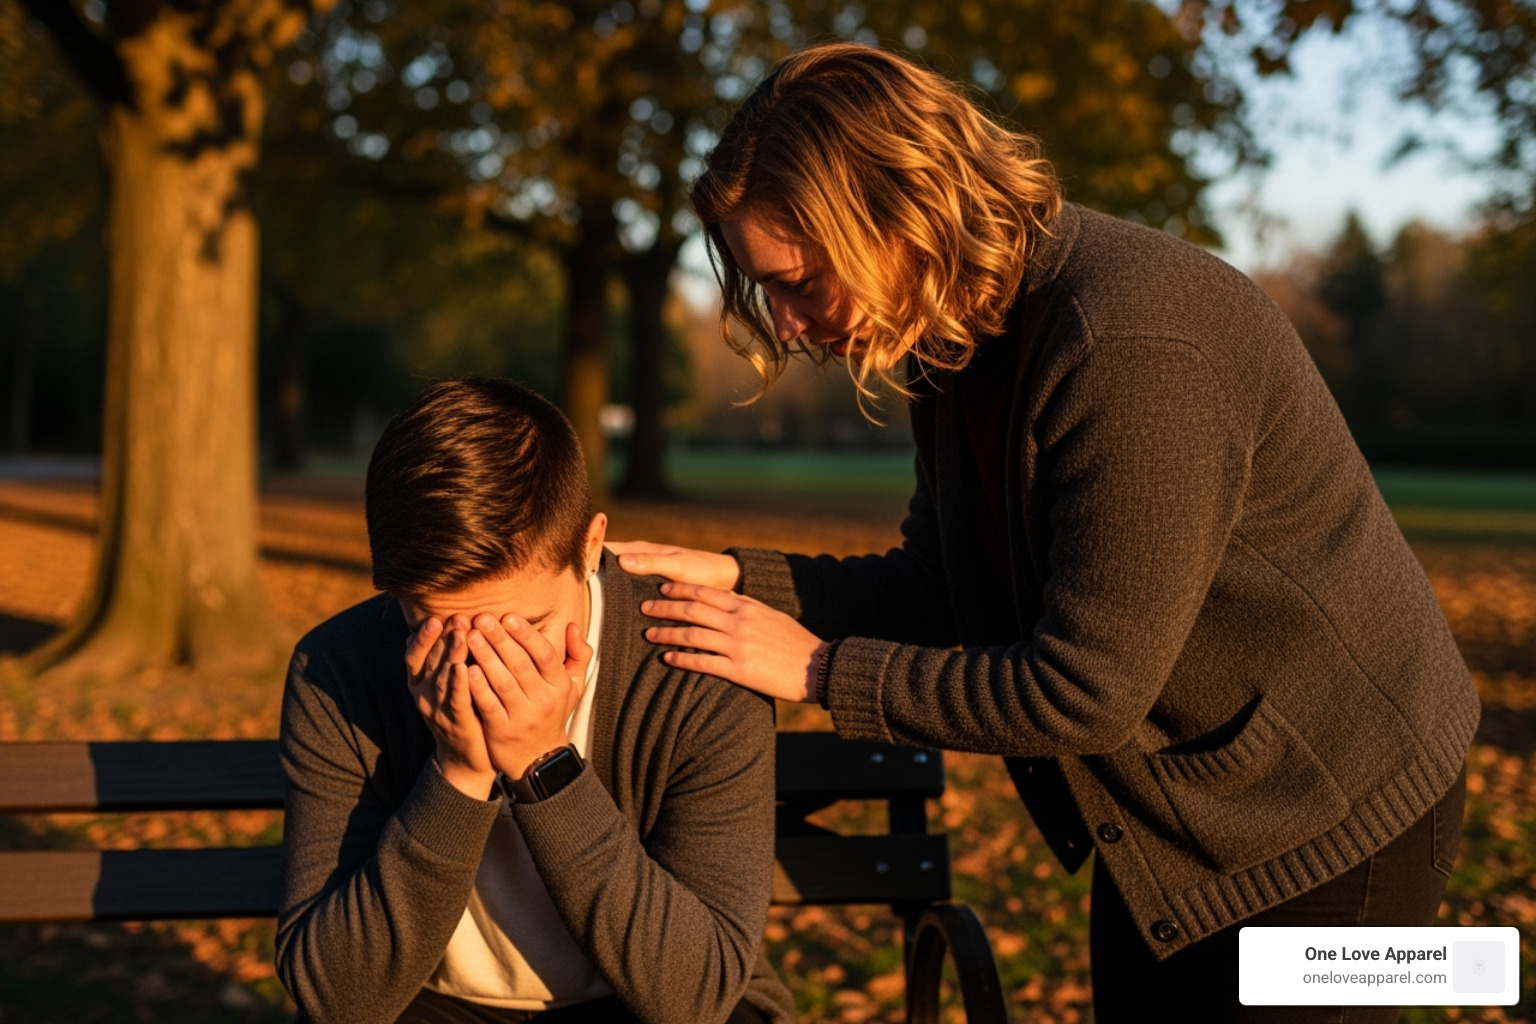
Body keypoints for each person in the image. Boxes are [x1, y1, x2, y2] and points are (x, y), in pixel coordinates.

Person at [611, 42, 1479, 1023]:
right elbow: (940, 588)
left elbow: (1085, 689)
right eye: (765, 288)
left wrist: (817, 670)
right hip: (1181, 826)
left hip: (1343, 823)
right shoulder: (956, 340)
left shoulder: (1131, 346)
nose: (790, 322)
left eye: (800, 279)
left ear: (901, 213)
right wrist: (734, 577)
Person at [275, 378, 794, 1024]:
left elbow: (696, 996)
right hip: (431, 1004)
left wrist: (547, 767)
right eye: (435, 628)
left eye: (528, 628)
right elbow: (336, 1000)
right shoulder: (338, 668)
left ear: (590, 545)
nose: (483, 668)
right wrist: (458, 776)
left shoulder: (698, 666)